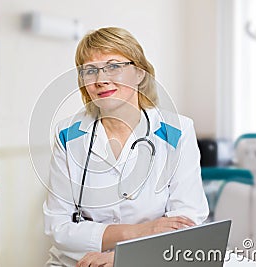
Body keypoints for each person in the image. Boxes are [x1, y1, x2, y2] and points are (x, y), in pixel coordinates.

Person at [43, 27, 209, 267]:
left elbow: (185, 222)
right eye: (90, 70)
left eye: (113, 66)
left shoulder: (177, 130)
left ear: (140, 73)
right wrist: (138, 231)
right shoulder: (68, 135)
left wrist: (121, 258)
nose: (101, 80)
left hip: (149, 261)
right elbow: (58, 227)